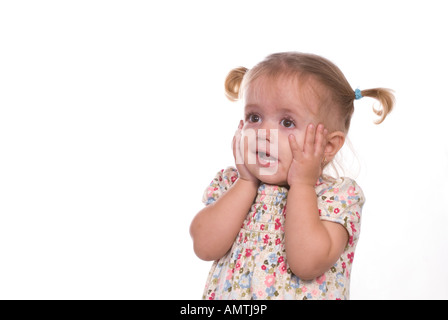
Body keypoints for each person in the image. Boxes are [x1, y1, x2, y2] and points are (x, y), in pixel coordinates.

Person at [190, 52, 395, 300]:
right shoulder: (231, 183)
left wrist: (302, 185)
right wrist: (246, 182)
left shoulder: (336, 197)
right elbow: (203, 246)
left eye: (287, 122)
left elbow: (307, 264)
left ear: (328, 146)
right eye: (254, 117)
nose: (264, 132)